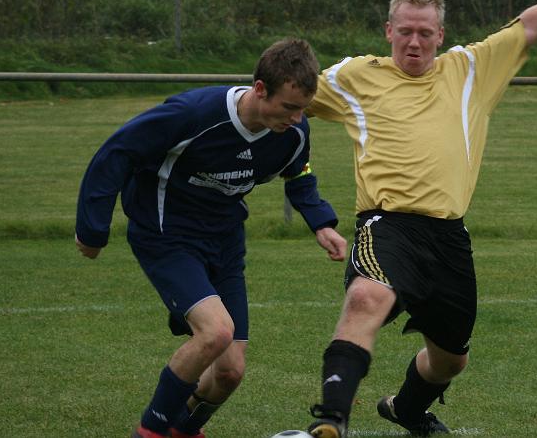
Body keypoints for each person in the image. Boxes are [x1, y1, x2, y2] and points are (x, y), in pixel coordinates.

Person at [303, 0, 537, 437]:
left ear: (440, 35)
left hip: (448, 237)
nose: (414, 42)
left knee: (450, 360)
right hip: (386, 225)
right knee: (366, 298)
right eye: (405, 31)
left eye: (425, 33)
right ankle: (332, 419)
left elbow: (529, 26)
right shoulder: (354, 76)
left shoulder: (471, 69)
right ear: (389, 31)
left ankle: (406, 409)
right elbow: (287, 100)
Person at [75, 38, 348, 438]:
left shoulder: (293, 132)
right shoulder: (193, 115)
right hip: (166, 234)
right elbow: (118, 152)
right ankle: (149, 432)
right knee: (216, 332)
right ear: (260, 89)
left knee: (229, 372)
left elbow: (299, 171)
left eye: (303, 108)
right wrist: (93, 228)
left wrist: (321, 222)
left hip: (224, 242)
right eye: (289, 107)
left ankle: (183, 430)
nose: (296, 118)